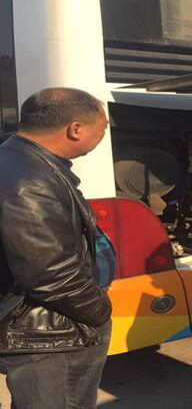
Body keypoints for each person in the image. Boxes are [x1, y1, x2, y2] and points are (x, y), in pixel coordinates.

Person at [0, 88, 114, 409]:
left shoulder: (17, 159)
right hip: (50, 332)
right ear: (75, 129)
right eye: (103, 127)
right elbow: (51, 274)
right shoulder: (30, 181)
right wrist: (99, 312)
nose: (104, 134)